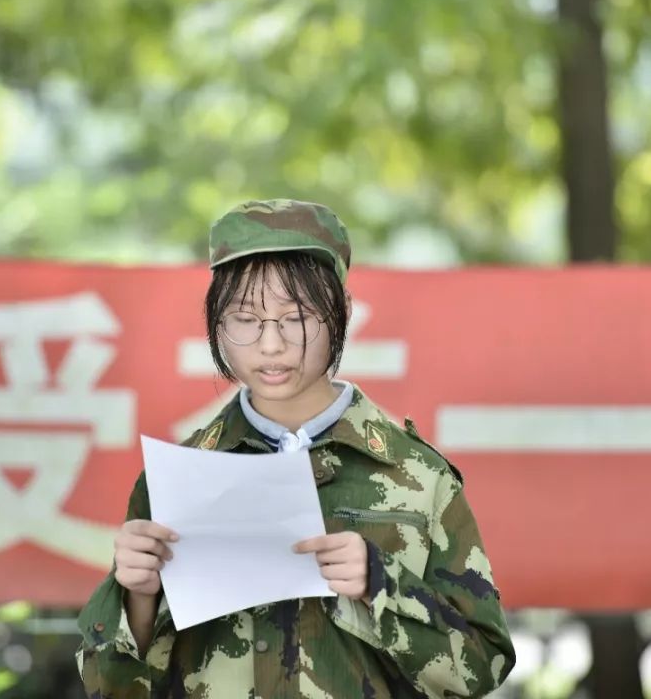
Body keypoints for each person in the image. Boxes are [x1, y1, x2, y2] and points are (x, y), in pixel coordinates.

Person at [77, 199, 515, 698]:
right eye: (245, 318)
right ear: (216, 321)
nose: (270, 345)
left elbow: (483, 668)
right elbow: (108, 689)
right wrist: (137, 598)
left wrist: (380, 583)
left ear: (342, 313)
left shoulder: (417, 475)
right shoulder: (180, 478)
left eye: (297, 317)